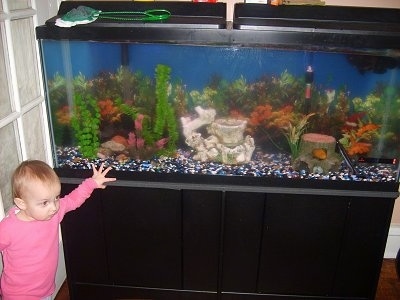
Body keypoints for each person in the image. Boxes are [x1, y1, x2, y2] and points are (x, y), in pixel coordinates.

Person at [0, 160, 116, 300]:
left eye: (56, 198)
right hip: (17, 295)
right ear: (22, 203)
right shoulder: (9, 227)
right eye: (44, 202)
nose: (54, 207)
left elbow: (73, 200)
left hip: (45, 290)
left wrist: (91, 183)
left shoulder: (53, 214)